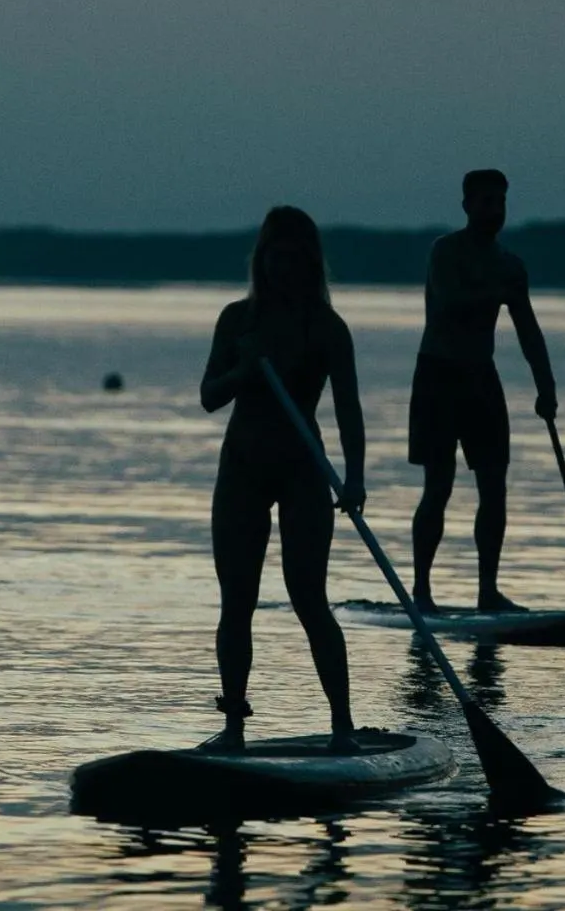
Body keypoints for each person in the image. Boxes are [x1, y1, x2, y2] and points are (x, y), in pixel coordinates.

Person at [200, 206, 366, 753]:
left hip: (302, 472)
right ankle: (233, 727)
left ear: (311, 262)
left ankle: (342, 725)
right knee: (237, 602)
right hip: (242, 470)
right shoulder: (235, 320)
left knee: (309, 598)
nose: (285, 268)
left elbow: (348, 410)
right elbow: (209, 396)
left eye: (296, 258)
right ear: (262, 259)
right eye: (276, 256)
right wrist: (243, 370)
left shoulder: (327, 327)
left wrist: (356, 478)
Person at [409, 170, 557, 614]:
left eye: (500, 202)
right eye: (486, 201)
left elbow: (528, 329)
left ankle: (487, 590)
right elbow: (451, 302)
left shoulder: (511, 265)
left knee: (494, 486)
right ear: (467, 206)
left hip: (481, 378)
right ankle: (421, 591)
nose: (494, 210)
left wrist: (545, 386)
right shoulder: (445, 252)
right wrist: (499, 290)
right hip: (438, 376)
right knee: (439, 485)